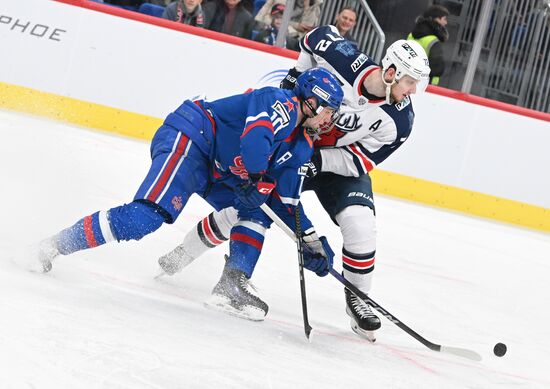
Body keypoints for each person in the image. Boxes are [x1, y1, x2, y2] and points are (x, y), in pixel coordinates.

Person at [157, 26, 430, 340]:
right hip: (295, 144)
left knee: (361, 225)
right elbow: (315, 36)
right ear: (391, 72)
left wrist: (314, 163)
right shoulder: (344, 58)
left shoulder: (400, 121)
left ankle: (358, 298)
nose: (412, 92)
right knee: (249, 207)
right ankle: (183, 253)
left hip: (337, 165)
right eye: (410, 82)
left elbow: (359, 161)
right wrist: (295, 76)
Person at [37, 68, 344, 320]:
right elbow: (256, 139)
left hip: (220, 171)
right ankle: (53, 244)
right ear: (312, 102)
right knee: (144, 218)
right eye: (328, 110)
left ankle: (231, 283)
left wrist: (311, 244)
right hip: (193, 139)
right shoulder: (281, 103)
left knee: (257, 212)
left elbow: (287, 204)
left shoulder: (302, 146)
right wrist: (255, 177)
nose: (330, 120)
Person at [407, 4, 449, 86]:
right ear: (436, 18)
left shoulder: (411, 35)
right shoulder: (433, 41)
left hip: (405, 78)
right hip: (425, 84)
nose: (446, 22)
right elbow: (437, 69)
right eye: (444, 19)